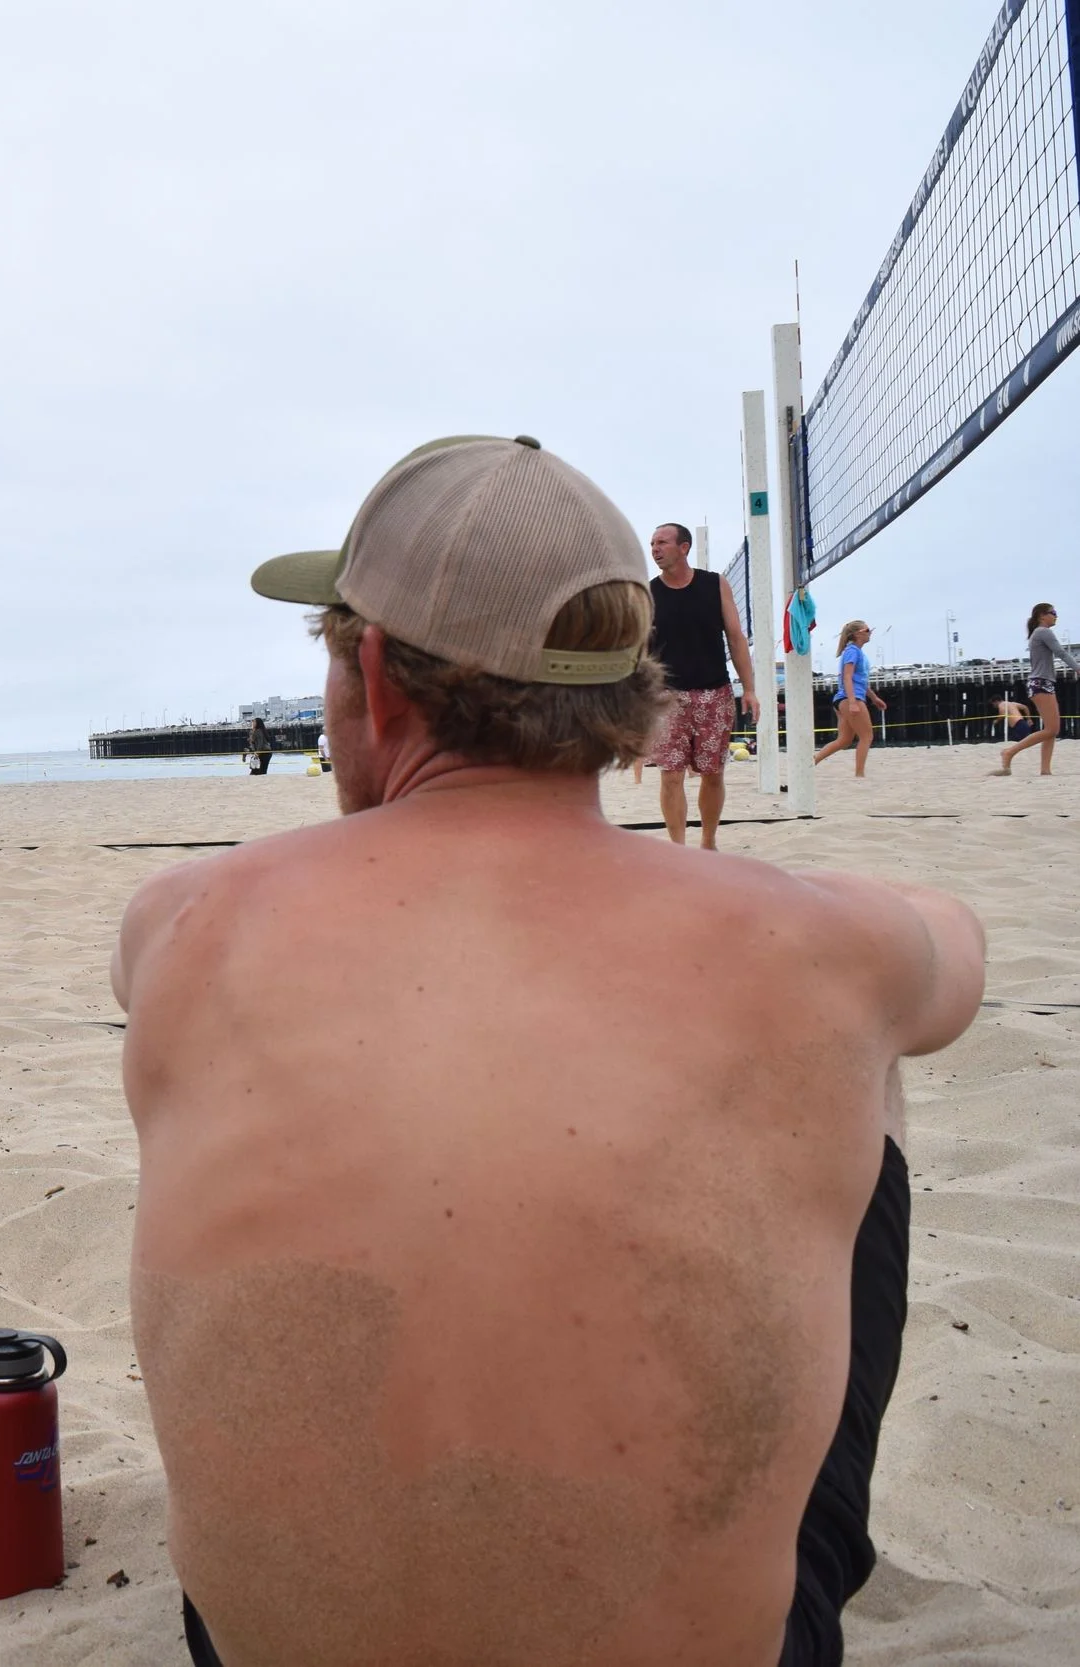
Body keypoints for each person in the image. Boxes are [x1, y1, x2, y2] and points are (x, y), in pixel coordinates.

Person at [115, 434, 984, 1667]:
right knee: (864, 1061)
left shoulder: (177, 924)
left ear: (375, 670)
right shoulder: (818, 947)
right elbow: (955, 950)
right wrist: (776, 907)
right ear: (625, 686)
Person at [645, 521, 760, 849]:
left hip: (714, 693)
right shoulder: (648, 593)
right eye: (652, 543)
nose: (655, 549)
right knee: (670, 774)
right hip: (666, 696)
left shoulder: (714, 584)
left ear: (684, 548)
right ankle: (679, 850)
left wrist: (749, 688)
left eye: (662, 542)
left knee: (712, 774)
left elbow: (736, 638)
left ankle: (708, 842)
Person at [995, 602, 1079, 776]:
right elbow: (1061, 653)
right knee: (1052, 729)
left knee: (1051, 729)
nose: (1056, 615)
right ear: (1042, 615)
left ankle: (1045, 770)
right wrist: (1078, 668)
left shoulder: (1037, 634)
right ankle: (1010, 752)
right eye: (1053, 612)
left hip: (1041, 683)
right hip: (1040, 683)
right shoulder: (1043, 632)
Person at [813, 621, 887, 777]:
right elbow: (847, 677)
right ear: (857, 633)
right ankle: (860, 774)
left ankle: (812, 761)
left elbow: (859, 681)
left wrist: (874, 698)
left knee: (845, 740)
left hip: (844, 698)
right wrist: (853, 702)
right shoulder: (852, 651)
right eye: (867, 629)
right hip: (849, 698)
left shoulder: (856, 652)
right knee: (867, 736)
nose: (870, 632)